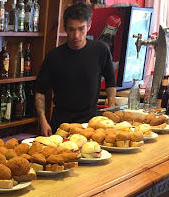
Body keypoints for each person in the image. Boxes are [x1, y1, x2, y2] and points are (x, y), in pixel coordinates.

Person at [34, 2, 116, 136]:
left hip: (91, 123)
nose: (76, 35)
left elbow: (110, 81)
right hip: (61, 124)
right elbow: (40, 91)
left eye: (81, 28)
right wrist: (43, 121)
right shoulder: (54, 57)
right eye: (71, 29)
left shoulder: (101, 50)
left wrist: (111, 110)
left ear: (89, 26)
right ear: (65, 28)